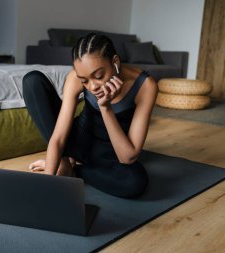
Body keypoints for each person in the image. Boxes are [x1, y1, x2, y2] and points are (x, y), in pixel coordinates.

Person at [22, 33, 158, 198]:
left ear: (115, 62)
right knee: (32, 81)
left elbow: (127, 157)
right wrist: (47, 182)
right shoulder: (75, 77)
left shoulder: (145, 86)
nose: (92, 86)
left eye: (99, 76)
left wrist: (105, 107)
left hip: (111, 154)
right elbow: (58, 137)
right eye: (84, 80)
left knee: (135, 183)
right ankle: (64, 163)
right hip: (78, 142)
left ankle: (76, 170)